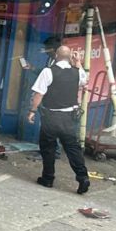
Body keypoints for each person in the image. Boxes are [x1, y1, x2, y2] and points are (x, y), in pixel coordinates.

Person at [28, 45, 90, 194]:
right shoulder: (77, 72)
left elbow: (39, 94)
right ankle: (83, 177)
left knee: (48, 147)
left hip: (51, 116)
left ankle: (48, 178)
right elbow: (84, 81)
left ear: (56, 55)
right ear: (70, 57)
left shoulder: (48, 71)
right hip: (69, 118)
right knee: (72, 148)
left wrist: (32, 111)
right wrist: (78, 62)